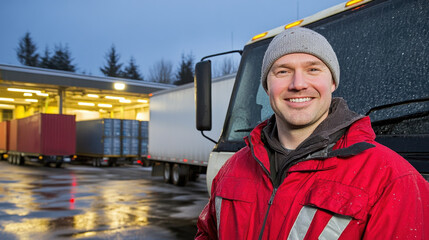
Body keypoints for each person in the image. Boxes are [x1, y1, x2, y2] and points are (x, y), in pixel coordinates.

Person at [195, 27, 429, 239]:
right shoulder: (231, 170)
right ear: (267, 86)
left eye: (313, 69)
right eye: (283, 71)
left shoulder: (392, 180)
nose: (298, 83)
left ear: (333, 83)